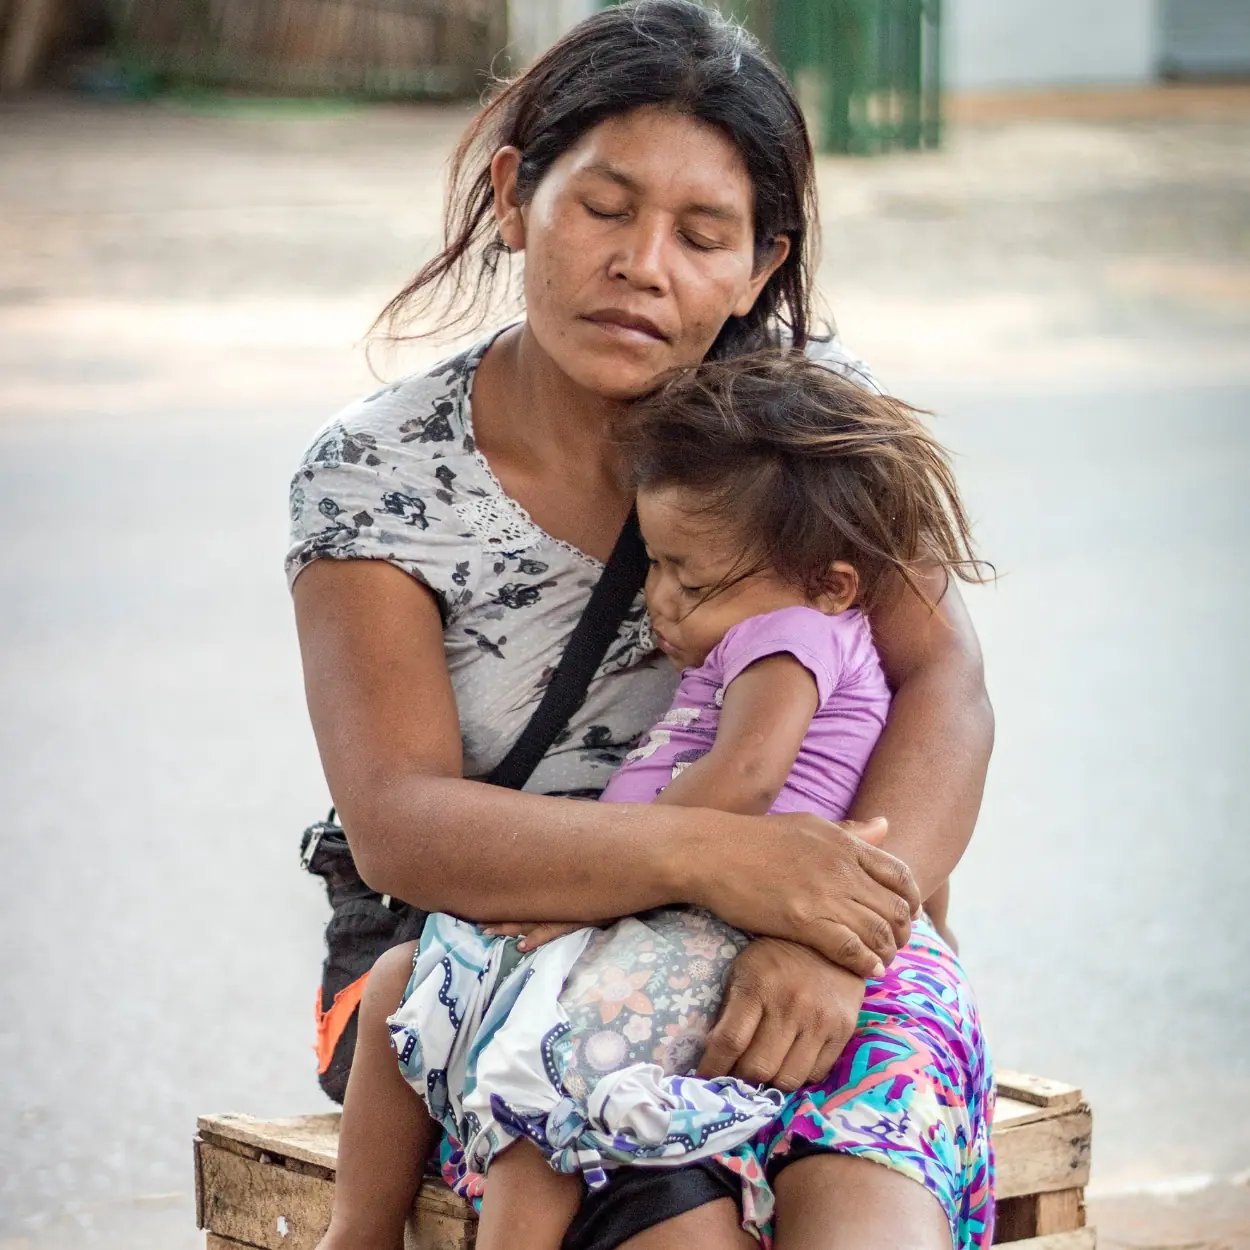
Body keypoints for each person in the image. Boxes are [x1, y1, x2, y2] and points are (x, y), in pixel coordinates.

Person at [288, 3, 996, 1248]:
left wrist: (837, 942)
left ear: (759, 266)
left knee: (868, 1209)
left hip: (811, 948)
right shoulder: (379, 475)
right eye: (604, 209)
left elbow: (942, 684)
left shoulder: (812, 426)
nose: (642, 265)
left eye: (702, 234)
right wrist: (714, 861)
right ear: (515, 197)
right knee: (667, 1219)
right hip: (511, 960)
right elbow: (400, 819)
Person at [336, 351, 992, 1250]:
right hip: (702, 913)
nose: (661, 606)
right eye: (655, 568)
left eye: (694, 583)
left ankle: (358, 1234)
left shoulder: (789, 618)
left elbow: (761, 773)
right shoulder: (378, 467)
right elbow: (393, 820)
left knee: (545, 1095)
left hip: (719, 926)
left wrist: (611, 876)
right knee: (451, 1018)